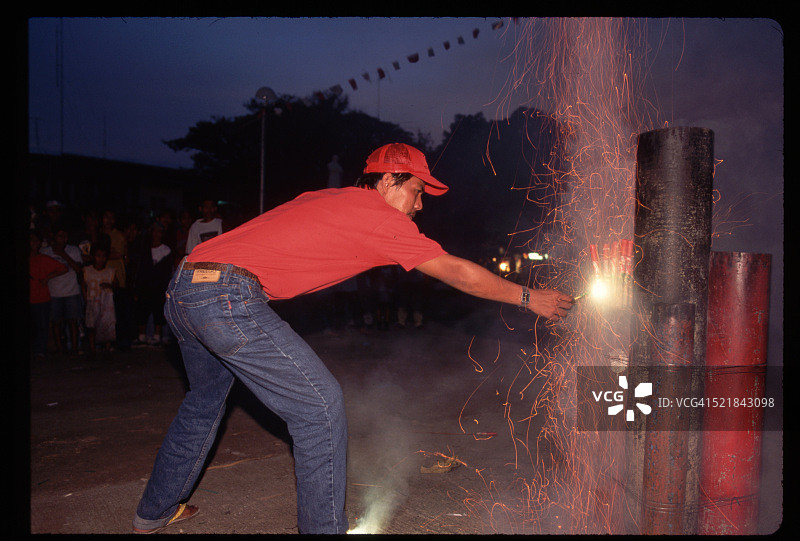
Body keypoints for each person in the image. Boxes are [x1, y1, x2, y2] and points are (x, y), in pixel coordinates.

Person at [131, 143, 573, 534]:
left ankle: (154, 512)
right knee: (320, 408)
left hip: (185, 289)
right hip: (225, 297)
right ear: (388, 180)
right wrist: (528, 296)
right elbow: (455, 271)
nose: (420, 206)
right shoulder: (380, 217)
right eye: (417, 191)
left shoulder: (330, 198)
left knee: (203, 404)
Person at [40, 227, 84, 356]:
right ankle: (60, 349)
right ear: (54, 237)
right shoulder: (45, 251)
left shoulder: (74, 250)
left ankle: (75, 348)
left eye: (65, 236)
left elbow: (78, 269)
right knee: (56, 322)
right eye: (60, 236)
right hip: (54, 292)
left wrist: (63, 254)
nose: (63, 239)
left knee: (73, 321)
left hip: (72, 291)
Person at [132, 222, 174, 346]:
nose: (157, 234)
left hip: (159, 287)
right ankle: (142, 336)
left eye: (159, 231)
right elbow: (141, 270)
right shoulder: (145, 248)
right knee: (142, 309)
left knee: (158, 311)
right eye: (155, 231)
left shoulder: (166, 250)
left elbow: (166, 272)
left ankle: (157, 336)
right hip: (145, 286)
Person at [30, 230, 68, 358]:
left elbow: (64, 268)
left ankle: (40, 351)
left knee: (42, 326)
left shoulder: (43, 259)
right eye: (31, 240)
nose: (33, 243)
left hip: (41, 298)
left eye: (36, 240)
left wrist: (48, 277)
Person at [82, 245, 117, 353]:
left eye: (103, 256)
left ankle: (107, 347)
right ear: (93, 257)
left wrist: (110, 285)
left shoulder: (110, 271)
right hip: (92, 300)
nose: (100, 259)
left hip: (106, 304)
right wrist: (85, 299)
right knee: (91, 325)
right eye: (98, 256)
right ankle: (92, 347)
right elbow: (83, 285)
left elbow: (116, 284)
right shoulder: (87, 270)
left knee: (106, 325)